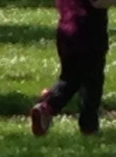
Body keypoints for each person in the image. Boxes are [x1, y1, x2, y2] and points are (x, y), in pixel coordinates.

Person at [31, 0, 112, 136]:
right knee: (92, 81)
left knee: (70, 78)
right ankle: (89, 126)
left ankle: (46, 106)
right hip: (89, 32)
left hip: (66, 32)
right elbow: (98, 2)